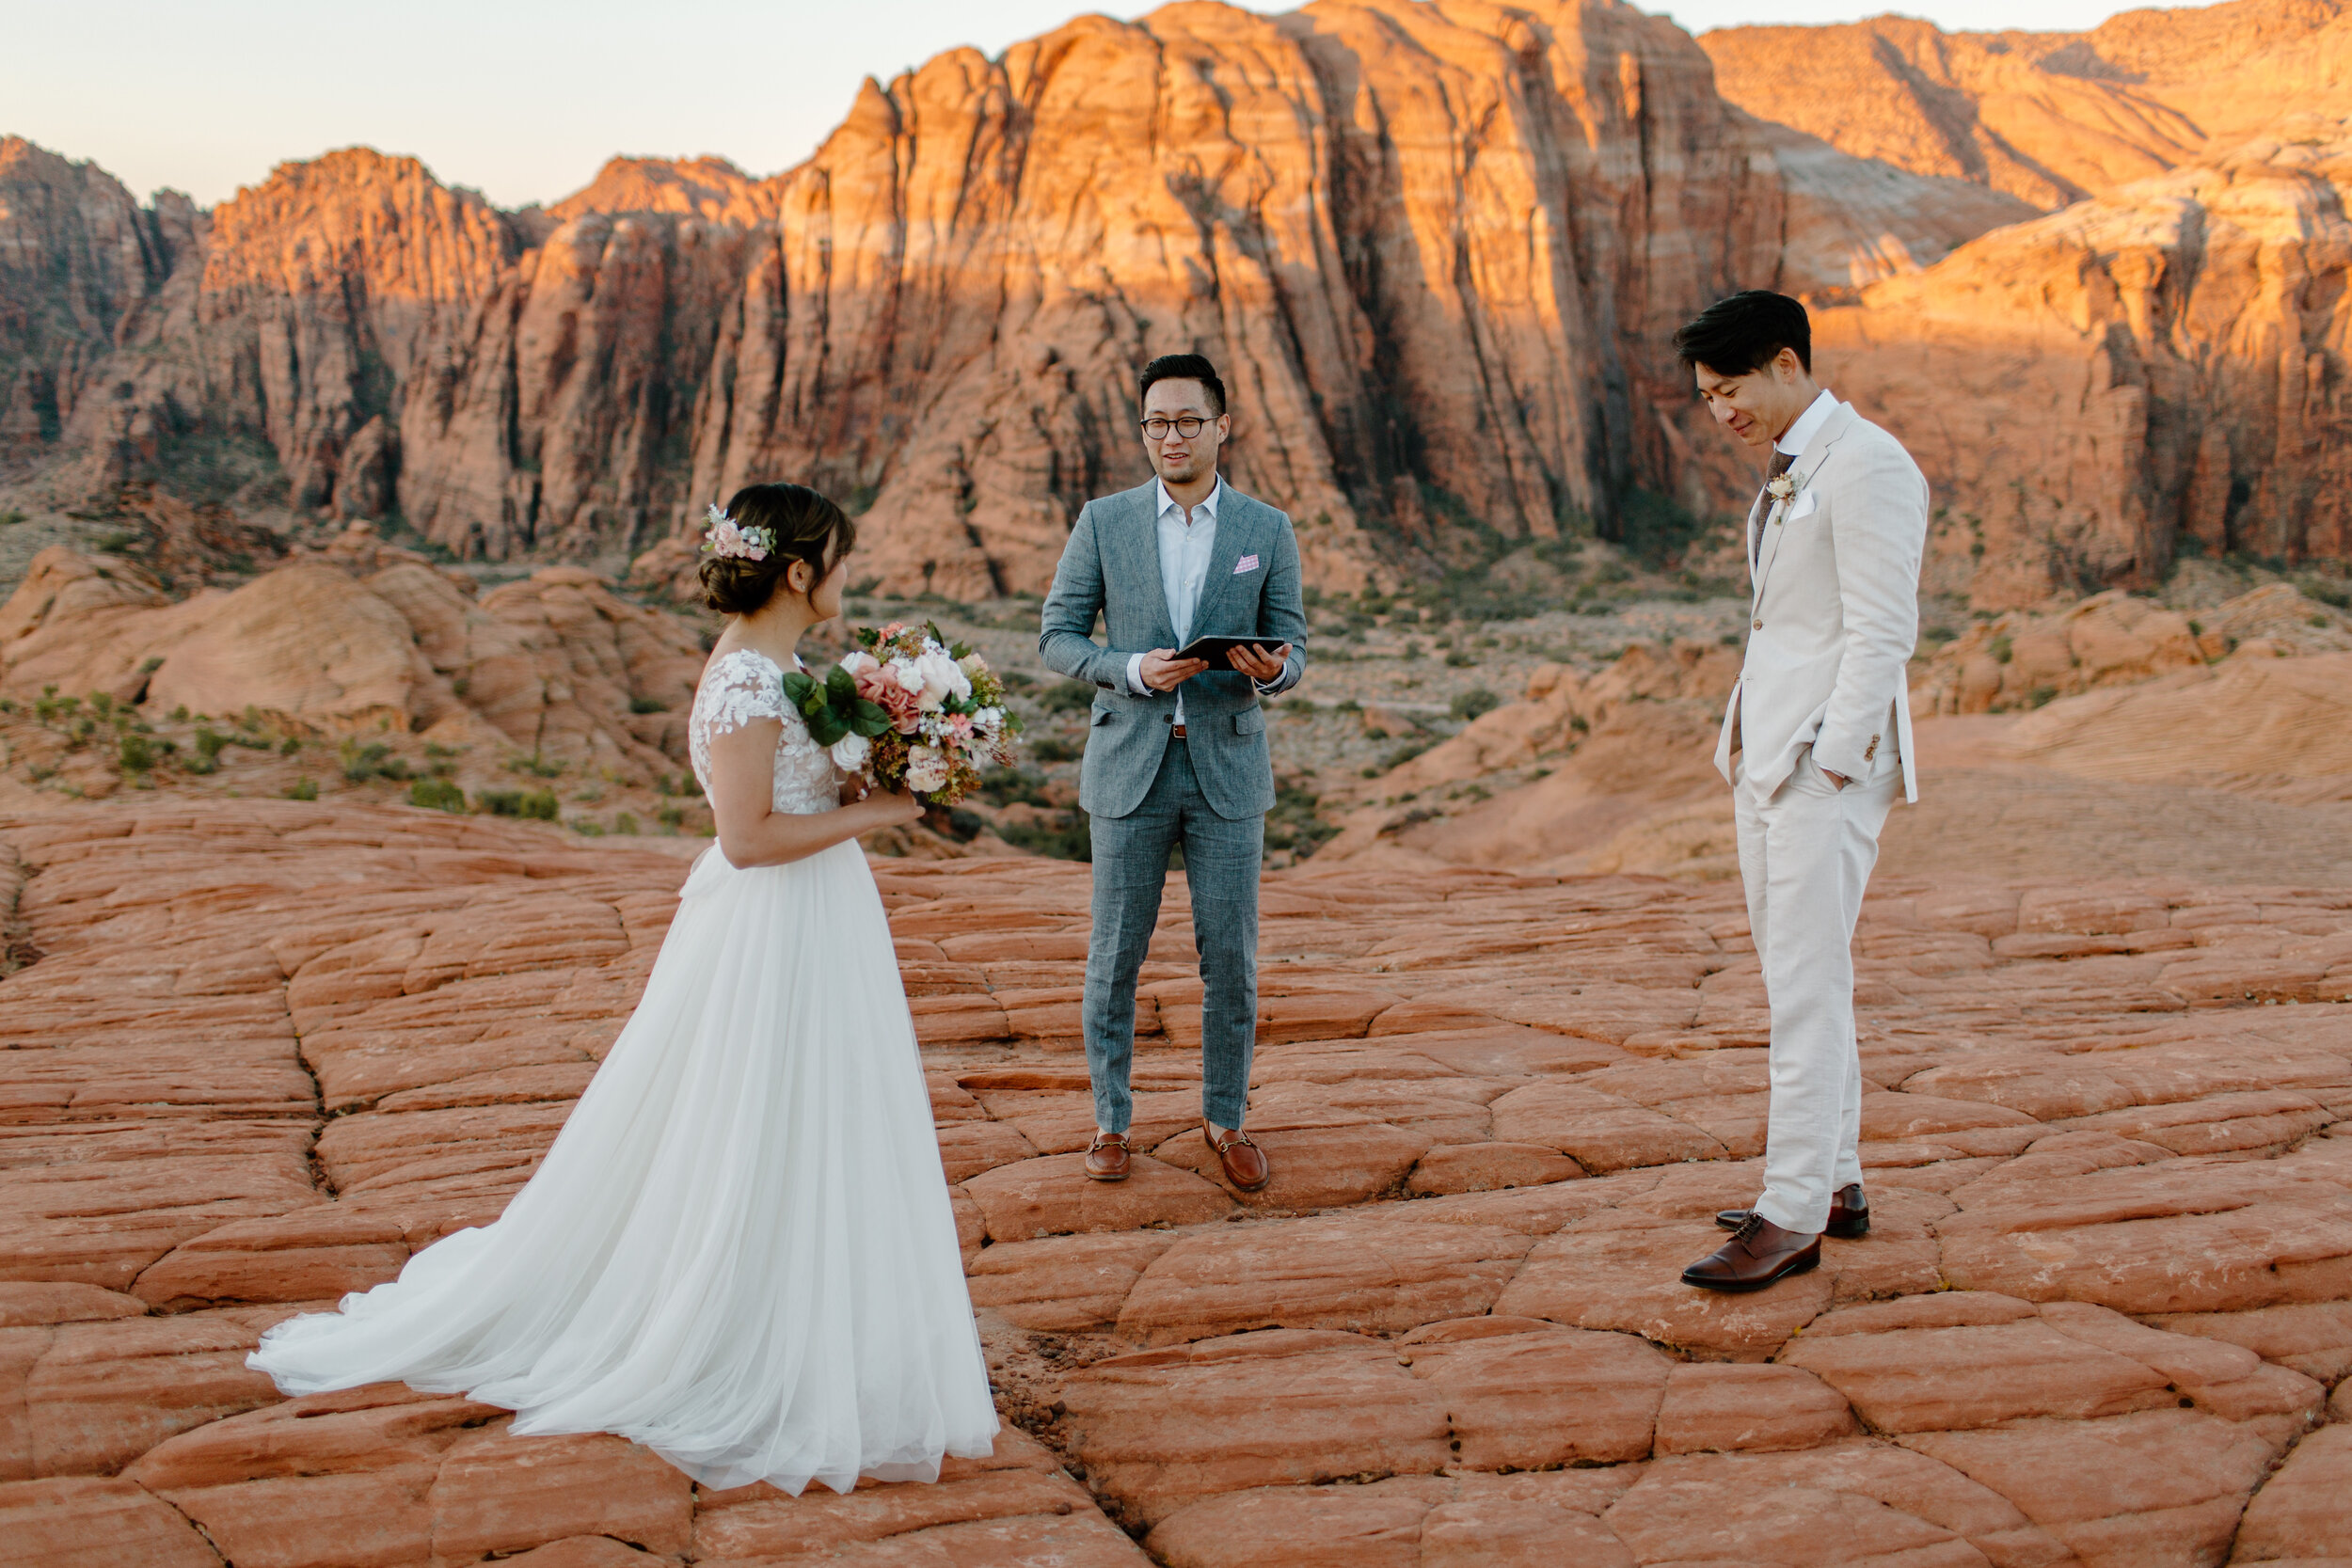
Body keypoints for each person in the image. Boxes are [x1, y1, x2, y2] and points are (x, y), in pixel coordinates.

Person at [248, 483, 999, 1494]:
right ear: (797, 572)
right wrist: (888, 815)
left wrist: (892, 766)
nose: (849, 578)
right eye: (841, 560)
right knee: (748, 1121)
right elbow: (746, 840)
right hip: (773, 929)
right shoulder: (742, 681)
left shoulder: (787, 668)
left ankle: (795, 1314)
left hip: (824, 920)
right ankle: (732, 1334)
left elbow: (801, 789)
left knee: (813, 1119)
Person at [1673, 291, 1927, 1292]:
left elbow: (1880, 631)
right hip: (1768, 752)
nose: (1719, 412)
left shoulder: (1867, 464)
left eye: (1728, 389)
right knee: (1797, 975)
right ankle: (1838, 1181)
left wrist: (1830, 761)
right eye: (1704, 396)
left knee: (1806, 986)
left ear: (1785, 363)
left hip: (1821, 765)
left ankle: (1788, 1211)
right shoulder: (1794, 464)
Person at [1039, 353, 1309, 1193]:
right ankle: (1110, 1123)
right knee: (1114, 954)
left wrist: (1274, 671)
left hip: (1227, 765)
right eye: (1157, 422)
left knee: (1230, 958)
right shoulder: (1104, 521)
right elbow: (1056, 635)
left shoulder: (1266, 528)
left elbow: (1295, 642)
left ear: (1222, 426)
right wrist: (1129, 669)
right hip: (1130, 763)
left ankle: (1225, 1118)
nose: (1172, 437)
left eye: (1188, 421)